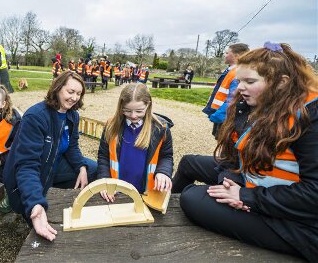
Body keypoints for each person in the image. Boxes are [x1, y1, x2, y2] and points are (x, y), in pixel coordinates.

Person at [172, 42, 318, 261]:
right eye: (239, 80)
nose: (239, 87)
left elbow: (313, 193)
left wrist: (246, 197)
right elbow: (236, 154)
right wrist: (231, 179)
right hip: (257, 180)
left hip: (298, 222)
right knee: (189, 163)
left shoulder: (309, 117)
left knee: (191, 198)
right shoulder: (259, 104)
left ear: (281, 83)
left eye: (249, 81)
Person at [3, 70, 98, 241]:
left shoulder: (72, 115)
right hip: (33, 171)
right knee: (36, 216)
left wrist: (81, 167)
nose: (75, 97)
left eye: (79, 93)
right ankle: (20, 201)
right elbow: (27, 164)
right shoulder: (36, 116)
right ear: (57, 88)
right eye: (70, 92)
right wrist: (35, 202)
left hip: (54, 164)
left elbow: (72, 146)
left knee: (93, 169)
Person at [97, 83, 174, 201]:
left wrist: (163, 172)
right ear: (120, 106)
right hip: (116, 191)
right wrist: (104, 179)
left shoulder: (161, 128)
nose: (133, 116)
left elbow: (166, 156)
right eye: (127, 111)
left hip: (146, 192)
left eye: (139, 111)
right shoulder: (111, 125)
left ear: (148, 105)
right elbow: (103, 155)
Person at [202, 43, 249, 139]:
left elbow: (233, 97)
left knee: (223, 140)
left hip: (226, 116)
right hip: (220, 112)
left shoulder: (236, 72)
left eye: (227, 53)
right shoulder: (230, 70)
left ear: (237, 56)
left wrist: (220, 114)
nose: (225, 55)